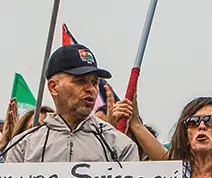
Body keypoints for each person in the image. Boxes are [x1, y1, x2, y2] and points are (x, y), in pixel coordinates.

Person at [1, 44, 137, 163]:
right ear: (54, 87)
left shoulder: (120, 145)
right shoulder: (23, 146)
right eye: (80, 81)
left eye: (94, 82)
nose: (91, 89)